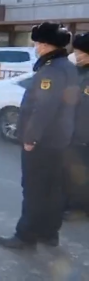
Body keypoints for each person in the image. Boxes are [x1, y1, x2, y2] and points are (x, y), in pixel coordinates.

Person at [0, 22, 77, 249]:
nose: (35, 47)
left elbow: (43, 108)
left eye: (36, 43)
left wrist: (31, 138)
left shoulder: (51, 70)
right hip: (60, 139)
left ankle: (26, 235)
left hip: (44, 142)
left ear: (44, 45)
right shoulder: (67, 66)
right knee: (53, 188)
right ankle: (49, 233)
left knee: (34, 189)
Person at [62, 33, 89, 221]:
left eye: (80, 53)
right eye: (76, 52)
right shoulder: (78, 73)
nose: (76, 56)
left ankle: (78, 207)